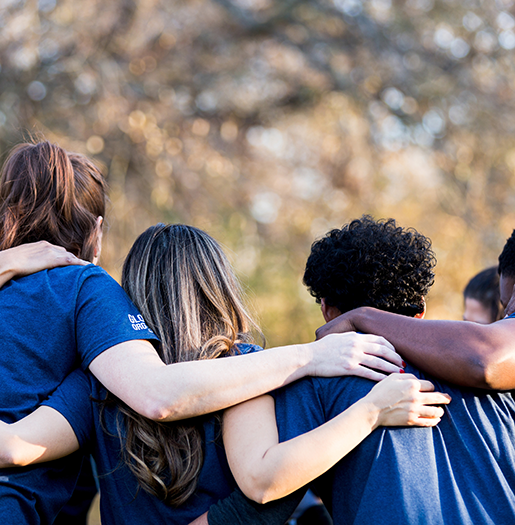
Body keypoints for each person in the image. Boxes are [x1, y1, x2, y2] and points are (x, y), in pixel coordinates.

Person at [0, 141, 406, 523]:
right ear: (219, 286)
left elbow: (15, 446)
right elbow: (264, 483)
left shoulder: (94, 386)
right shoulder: (247, 370)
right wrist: (364, 406)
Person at [218, 217, 515, 524]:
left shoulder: (313, 384)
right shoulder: (502, 379)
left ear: (327, 309)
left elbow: (263, 502)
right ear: (421, 309)